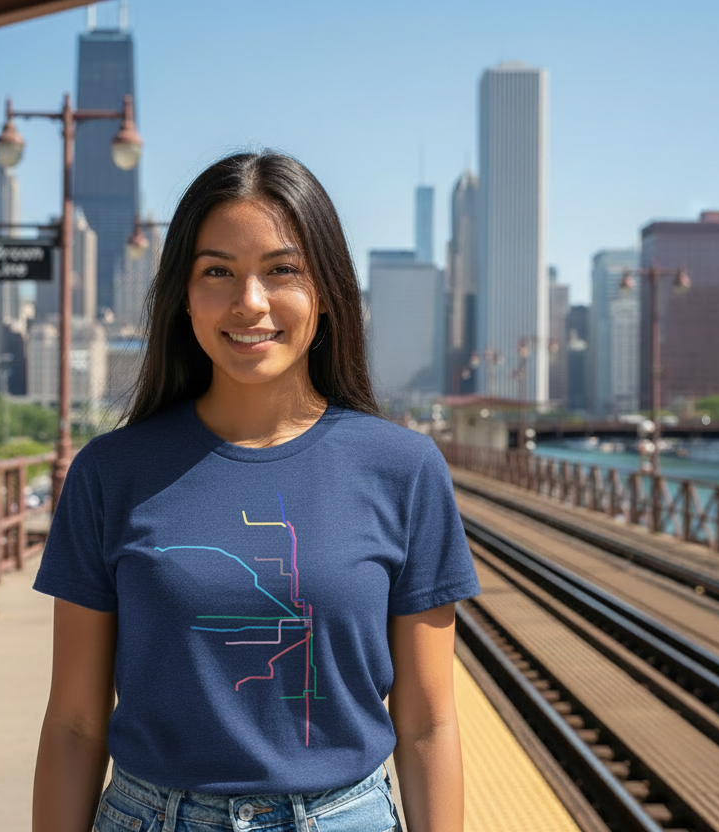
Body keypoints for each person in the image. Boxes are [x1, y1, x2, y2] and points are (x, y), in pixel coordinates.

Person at [32, 151, 480, 832]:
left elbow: (426, 726)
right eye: (218, 272)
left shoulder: (405, 470)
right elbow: (72, 722)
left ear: (325, 291)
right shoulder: (110, 473)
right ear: (183, 295)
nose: (250, 302)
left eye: (281, 271)